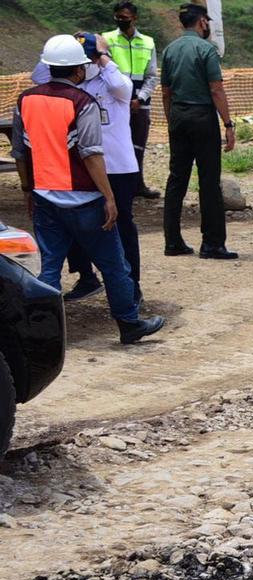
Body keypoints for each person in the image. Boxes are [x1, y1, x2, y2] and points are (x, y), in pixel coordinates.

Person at [13, 35, 164, 345]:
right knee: (114, 265)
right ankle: (128, 324)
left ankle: (44, 333)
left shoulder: (26, 100)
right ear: (79, 71)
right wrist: (109, 197)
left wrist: (29, 189)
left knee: (50, 265)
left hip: (44, 196)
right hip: (84, 198)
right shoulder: (83, 103)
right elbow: (91, 154)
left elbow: (19, 151)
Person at [32, 33, 144, 304]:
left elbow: (123, 86)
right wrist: (58, 48)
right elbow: (39, 76)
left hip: (117, 167)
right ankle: (86, 276)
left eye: (91, 58)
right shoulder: (68, 85)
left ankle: (132, 287)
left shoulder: (111, 81)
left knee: (121, 227)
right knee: (72, 226)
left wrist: (103, 55)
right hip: (84, 167)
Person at [160, 2, 237, 260]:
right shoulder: (207, 50)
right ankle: (212, 244)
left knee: (176, 179)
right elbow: (216, 89)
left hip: (178, 116)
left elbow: (166, 91)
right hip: (202, 117)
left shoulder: (170, 50)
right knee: (208, 181)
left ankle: (173, 241)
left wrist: (172, 119)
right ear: (202, 22)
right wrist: (228, 124)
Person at [102, 1, 161, 199]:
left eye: (125, 18)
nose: (121, 21)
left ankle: (138, 184)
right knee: (114, 144)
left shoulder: (147, 42)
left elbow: (152, 76)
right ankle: (115, 186)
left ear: (134, 18)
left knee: (138, 144)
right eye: (118, 17)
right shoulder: (107, 39)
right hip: (114, 102)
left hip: (140, 103)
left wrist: (140, 98)